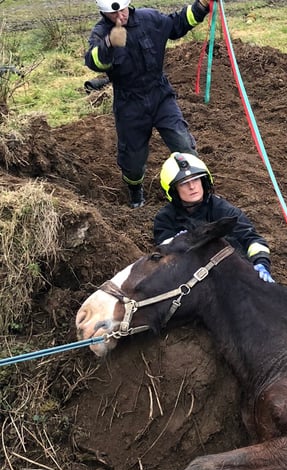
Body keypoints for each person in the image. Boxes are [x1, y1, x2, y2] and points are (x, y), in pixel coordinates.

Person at [84, 0, 211, 208]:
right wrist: (108, 44)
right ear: (103, 13)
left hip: (160, 95)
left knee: (183, 142)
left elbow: (177, 24)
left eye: (123, 11)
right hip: (129, 104)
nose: (120, 17)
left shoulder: (149, 19)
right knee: (133, 160)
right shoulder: (101, 33)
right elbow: (94, 61)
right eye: (114, 15)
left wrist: (201, 6)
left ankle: (200, 191)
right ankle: (135, 193)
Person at [154, 152, 274, 283]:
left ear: (204, 181)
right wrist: (179, 241)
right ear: (173, 190)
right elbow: (164, 257)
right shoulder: (165, 218)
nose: (192, 187)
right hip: (190, 280)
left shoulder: (223, 209)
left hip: (229, 272)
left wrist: (262, 263)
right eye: (184, 183)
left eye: (196, 179)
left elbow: (251, 239)